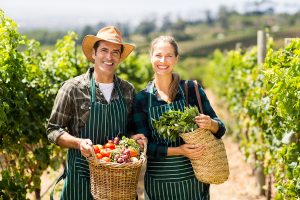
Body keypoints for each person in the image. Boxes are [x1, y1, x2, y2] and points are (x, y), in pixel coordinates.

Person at [47, 26, 136, 200]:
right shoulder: (73, 88)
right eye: (104, 50)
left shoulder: (128, 90)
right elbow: (53, 129)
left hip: (117, 181)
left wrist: (137, 138)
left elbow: (131, 130)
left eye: (115, 52)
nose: (109, 57)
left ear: (119, 57)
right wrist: (79, 143)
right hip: (80, 178)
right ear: (94, 54)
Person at [131, 36, 226, 200]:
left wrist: (211, 124)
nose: (163, 60)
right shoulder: (142, 99)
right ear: (151, 57)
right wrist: (179, 151)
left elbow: (221, 129)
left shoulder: (191, 90)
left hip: (194, 182)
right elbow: (146, 147)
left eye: (169, 55)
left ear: (176, 59)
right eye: (158, 55)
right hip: (159, 185)